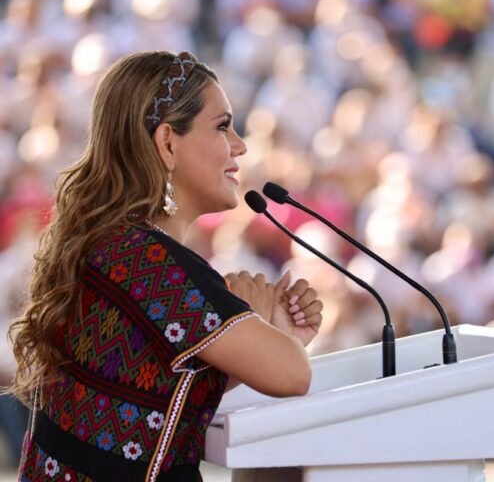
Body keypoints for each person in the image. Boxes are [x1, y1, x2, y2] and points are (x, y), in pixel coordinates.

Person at [5, 50, 324, 481]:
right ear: (168, 142)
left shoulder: (117, 247)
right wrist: (257, 321)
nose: (240, 146)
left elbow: (159, 387)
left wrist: (270, 334)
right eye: (223, 126)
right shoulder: (150, 265)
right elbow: (293, 374)